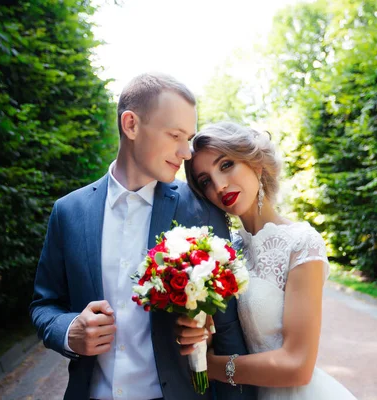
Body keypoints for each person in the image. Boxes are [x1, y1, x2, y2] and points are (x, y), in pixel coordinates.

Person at [29, 74, 255, 400]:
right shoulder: (68, 212)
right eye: (174, 135)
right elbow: (44, 304)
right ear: (131, 125)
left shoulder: (203, 211)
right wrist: (68, 331)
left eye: (188, 137)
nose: (187, 152)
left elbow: (229, 328)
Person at [177, 122, 357, 399]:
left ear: (256, 164)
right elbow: (222, 331)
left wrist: (209, 367)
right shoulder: (221, 252)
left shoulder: (301, 243)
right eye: (205, 181)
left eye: (225, 165)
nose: (219, 185)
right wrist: (199, 335)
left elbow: (298, 365)